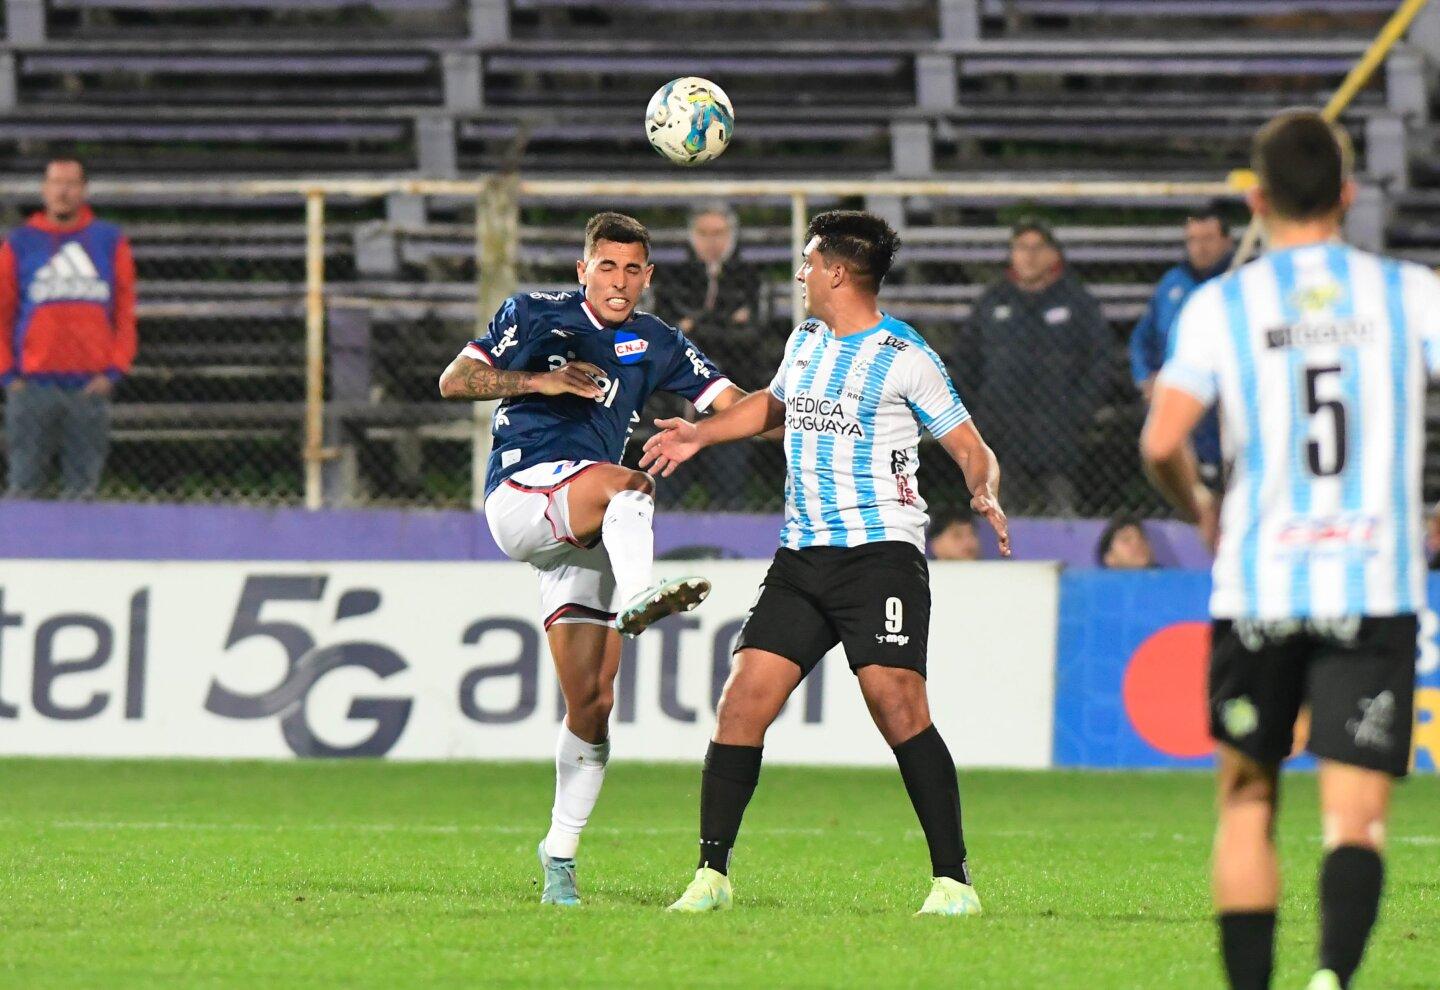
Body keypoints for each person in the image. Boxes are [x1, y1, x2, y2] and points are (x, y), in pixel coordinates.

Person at [1141, 111, 1438, 990]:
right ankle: (1332, 980)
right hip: (1373, 584)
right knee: (1355, 821)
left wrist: (1200, 505)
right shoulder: (1408, 292)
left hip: (1260, 584)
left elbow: (1162, 441)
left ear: (1258, 202)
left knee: (1247, 801)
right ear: (1348, 194)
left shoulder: (1221, 305)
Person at [642, 210, 1011, 917]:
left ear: (838, 272)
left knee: (898, 708)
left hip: (879, 556)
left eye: (809, 262)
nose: (801, 273)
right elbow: (772, 409)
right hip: (801, 555)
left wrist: (983, 488)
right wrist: (700, 435)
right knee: (742, 700)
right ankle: (711, 875)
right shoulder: (806, 338)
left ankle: (953, 882)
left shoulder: (906, 355)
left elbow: (968, 444)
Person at [437, 211, 745, 907]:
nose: (620, 280)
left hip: (590, 526)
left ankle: (559, 855)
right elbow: (454, 382)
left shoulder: (656, 341)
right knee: (633, 482)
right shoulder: (533, 314)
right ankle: (641, 593)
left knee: (593, 703)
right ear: (583, 269)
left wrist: (722, 424)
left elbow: (735, 402)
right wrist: (539, 384)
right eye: (606, 266)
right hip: (523, 494)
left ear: (648, 275)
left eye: (633, 269)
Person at [2, 158, 136, 498]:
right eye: (56, 183)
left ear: (84, 190)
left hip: (89, 387)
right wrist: (9, 377)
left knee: (82, 494)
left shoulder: (109, 240)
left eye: (71, 183)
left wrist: (113, 370)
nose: (63, 191)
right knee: (24, 490)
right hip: (32, 386)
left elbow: (124, 311)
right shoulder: (19, 244)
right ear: (44, 190)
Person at [963, 218, 1110, 515]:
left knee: (1062, 518)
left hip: (1059, 433)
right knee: (1001, 517)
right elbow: (967, 361)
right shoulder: (992, 301)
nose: (1028, 255)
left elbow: (1100, 359)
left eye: (1037, 247)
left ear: (1054, 254)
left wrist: (1079, 411)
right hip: (1001, 434)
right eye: (1020, 247)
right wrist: (980, 414)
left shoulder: (1077, 301)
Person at [650, 202, 766, 508]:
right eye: (704, 233)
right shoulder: (672, 279)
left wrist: (695, 325)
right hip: (676, 405)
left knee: (729, 495)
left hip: (731, 404)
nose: (712, 241)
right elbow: (664, 337)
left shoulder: (749, 278)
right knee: (664, 498)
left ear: (733, 235)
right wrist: (724, 322)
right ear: (691, 236)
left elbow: (752, 337)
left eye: (719, 233)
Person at [1130, 203, 1235, 485]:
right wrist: (1146, 378)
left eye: (1208, 239)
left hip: (1229, 409)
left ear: (1227, 241)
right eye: (1193, 240)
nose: (1200, 248)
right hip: (1181, 405)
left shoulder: (1242, 284)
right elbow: (1143, 338)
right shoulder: (1172, 284)